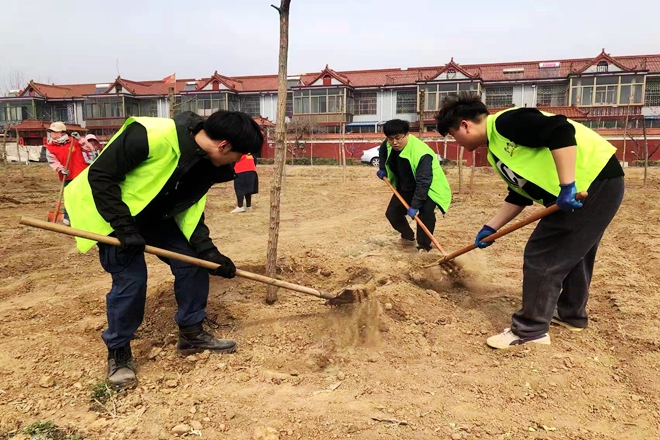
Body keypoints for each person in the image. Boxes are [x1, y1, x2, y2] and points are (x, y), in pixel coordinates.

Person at [64, 110, 264, 389]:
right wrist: (124, 227)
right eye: (239, 155)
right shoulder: (149, 134)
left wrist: (208, 252)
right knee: (131, 280)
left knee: (194, 264)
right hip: (113, 215)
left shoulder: (206, 164)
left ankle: (191, 334)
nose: (238, 162)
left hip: (155, 218)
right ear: (224, 145)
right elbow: (101, 176)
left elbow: (188, 208)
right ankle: (119, 352)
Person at [435, 92, 624, 349]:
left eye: (453, 135)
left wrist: (567, 185)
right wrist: (492, 226)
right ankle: (571, 315)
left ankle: (530, 329)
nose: (456, 143)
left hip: (592, 183)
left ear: (465, 125)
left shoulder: (505, 123)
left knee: (543, 253)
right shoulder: (496, 151)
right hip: (594, 185)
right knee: (574, 251)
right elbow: (519, 192)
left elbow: (560, 129)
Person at [376, 119, 451, 252]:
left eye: (398, 138)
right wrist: (383, 168)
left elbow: (424, 182)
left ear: (407, 134)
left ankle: (424, 246)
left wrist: (415, 205)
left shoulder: (421, 153)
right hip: (406, 185)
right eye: (390, 139)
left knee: (425, 214)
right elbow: (383, 150)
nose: (394, 142)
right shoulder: (388, 144)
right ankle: (408, 236)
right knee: (392, 213)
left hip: (428, 188)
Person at [44, 122, 89, 226]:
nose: (52, 134)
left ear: (62, 132)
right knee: (69, 197)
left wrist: (80, 139)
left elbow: (89, 149)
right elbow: (53, 161)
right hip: (67, 176)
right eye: (51, 132)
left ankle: (85, 216)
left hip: (82, 173)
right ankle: (68, 217)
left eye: (55, 132)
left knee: (83, 196)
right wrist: (60, 169)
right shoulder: (50, 147)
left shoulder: (73, 140)